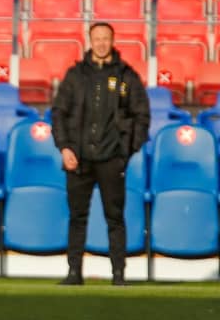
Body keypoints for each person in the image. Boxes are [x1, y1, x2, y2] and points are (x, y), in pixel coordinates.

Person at [51, 22, 150, 287]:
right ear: (90, 40)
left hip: (111, 158)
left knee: (115, 217)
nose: (102, 43)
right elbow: (58, 112)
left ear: (113, 40)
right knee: (77, 217)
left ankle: (118, 274)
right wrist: (64, 147)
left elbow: (142, 116)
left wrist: (126, 152)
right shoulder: (75, 75)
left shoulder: (126, 75)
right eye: (97, 38)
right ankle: (74, 273)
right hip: (78, 158)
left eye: (106, 38)